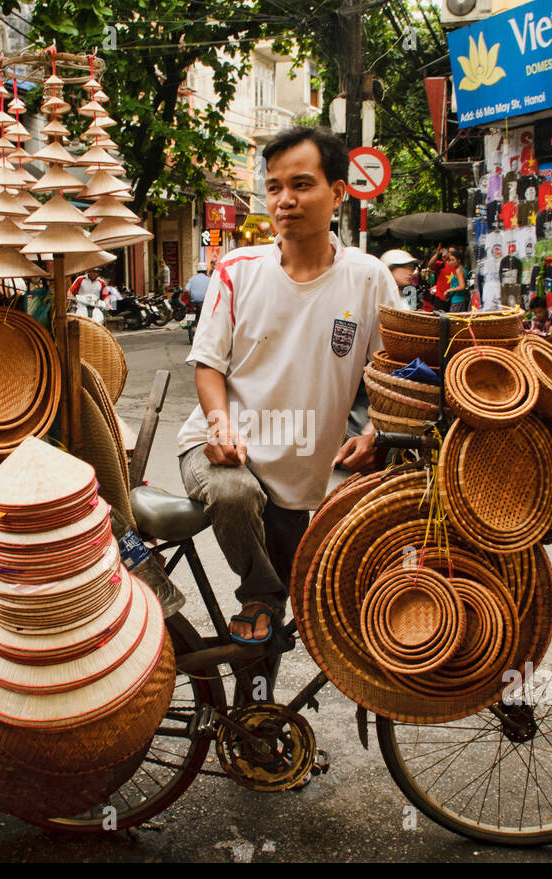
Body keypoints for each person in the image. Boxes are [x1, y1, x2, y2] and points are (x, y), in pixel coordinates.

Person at [176, 125, 401, 645]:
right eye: (275, 187)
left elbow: (394, 371)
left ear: (338, 193)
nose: (285, 200)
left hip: (307, 462)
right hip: (221, 448)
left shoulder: (368, 279)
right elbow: (208, 363)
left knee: (331, 566)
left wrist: (378, 430)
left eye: (301, 184)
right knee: (234, 497)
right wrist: (219, 425)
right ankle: (260, 593)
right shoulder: (237, 269)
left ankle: (260, 708)